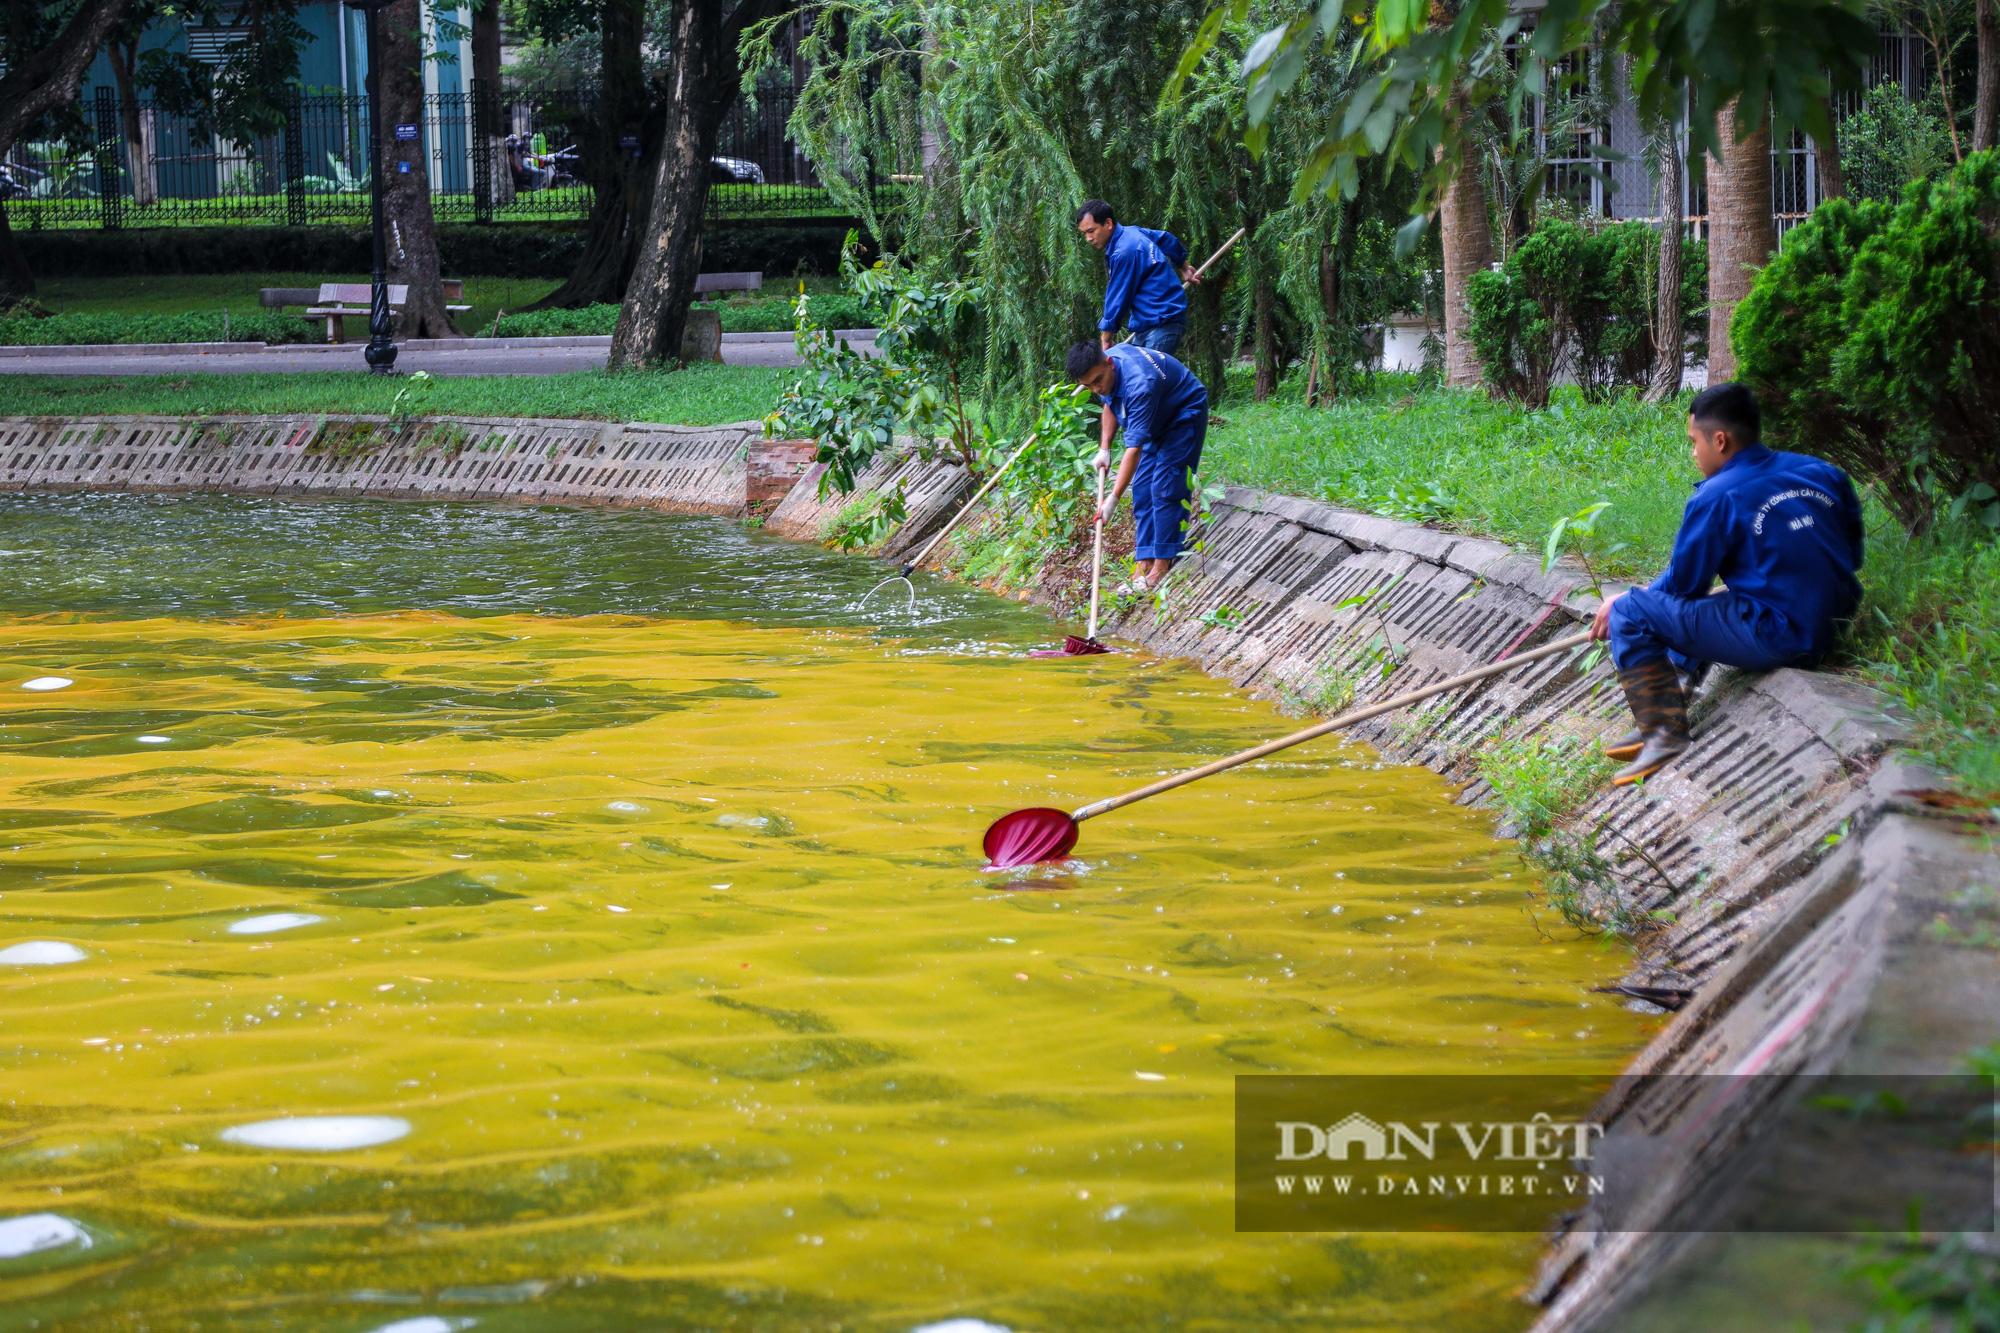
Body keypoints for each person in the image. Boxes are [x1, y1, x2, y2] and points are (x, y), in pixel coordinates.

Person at [1591, 382, 1864, 786]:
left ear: (1720, 440)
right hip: (1838, 620)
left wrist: (1626, 601)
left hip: (1784, 635)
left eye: (1694, 442)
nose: (1693, 453)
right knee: (1715, 605)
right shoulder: (1823, 472)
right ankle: (1675, 692)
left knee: (1633, 611)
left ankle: (1662, 733)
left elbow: (1685, 586)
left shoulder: (1718, 495)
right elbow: (1853, 555)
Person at [1075, 199, 1202, 486]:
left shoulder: (1125, 249)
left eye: (1091, 231)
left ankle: (1147, 457)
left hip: (1162, 322)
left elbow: (1118, 295)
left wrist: (1106, 334)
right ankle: (1125, 452)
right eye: (1084, 233)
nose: (1088, 238)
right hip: (1148, 323)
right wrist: (1184, 266)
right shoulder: (1132, 233)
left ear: (1108, 224)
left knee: (1141, 385)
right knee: (1122, 381)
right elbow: (1166, 239)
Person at [1067, 339, 1209, 593]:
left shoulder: (1139, 385)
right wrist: (1105, 448)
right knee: (1142, 489)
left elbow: (1134, 450)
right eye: (1088, 386)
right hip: (1157, 415)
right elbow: (1109, 402)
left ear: (1109, 364)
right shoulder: (1106, 369)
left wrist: (1112, 498)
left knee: (1165, 487)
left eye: (1098, 380)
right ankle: (1143, 561)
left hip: (1182, 412)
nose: (1096, 388)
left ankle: (1162, 565)